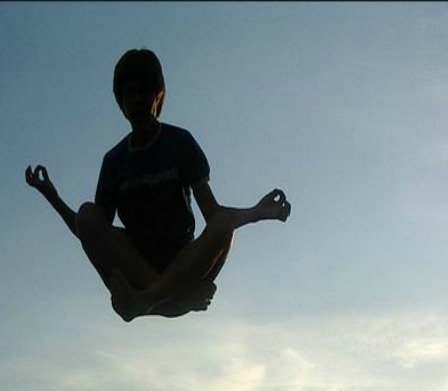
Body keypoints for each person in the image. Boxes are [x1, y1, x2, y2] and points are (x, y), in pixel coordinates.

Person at [26, 48, 291, 321]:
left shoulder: (181, 143)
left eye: (144, 91)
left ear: (159, 95)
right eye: (129, 93)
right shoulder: (114, 161)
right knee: (88, 213)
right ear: (120, 103)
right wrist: (52, 196)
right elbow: (91, 232)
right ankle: (165, 298)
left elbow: (215, 215)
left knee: (223, 223)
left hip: (185, 266)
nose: (137, 100)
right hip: (141, 272)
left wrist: (258, 213)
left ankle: (150, 299)